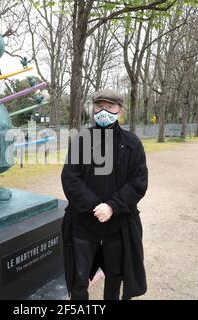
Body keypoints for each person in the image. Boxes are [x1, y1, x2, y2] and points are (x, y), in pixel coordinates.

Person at [61, 89, 149, 300]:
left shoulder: (132, 143)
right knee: (79, 279)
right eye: (99, 106)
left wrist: (112, 206)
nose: (103, 111)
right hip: (83, 225)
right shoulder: (81, 140)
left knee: (115, 277)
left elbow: (138, 182)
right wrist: (94, 205)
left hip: (118, 226)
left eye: (109, 107)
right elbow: (70, 179)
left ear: (119, 110)